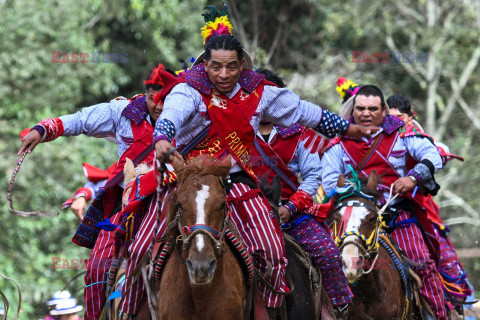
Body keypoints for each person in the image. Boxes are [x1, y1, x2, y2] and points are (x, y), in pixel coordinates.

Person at [153, 7, 376, 316]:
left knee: (273, 252)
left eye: (231, 67)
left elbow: (304, 112)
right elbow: (171, 114)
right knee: (140, 250)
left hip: (237, 184)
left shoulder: (258, 92)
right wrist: (163, 135)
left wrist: (347, 128)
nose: (223, 75)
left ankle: (269, 311)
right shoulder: (188, 90)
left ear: (241, 65)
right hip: (190, 183)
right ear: (205, 65)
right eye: (216, 67)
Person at [18, 64, 178, 320]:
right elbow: (80, 120)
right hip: (127, 207)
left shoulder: (192, 111)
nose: (159, 106)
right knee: (97, 268)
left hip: (177, 200)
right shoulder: (124, 111)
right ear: (145, 93)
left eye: (166, 99)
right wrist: (43, 129)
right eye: (152, 99)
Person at [321, 84, 448, 319]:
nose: (366, 113)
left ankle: (436, 315)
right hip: (352, 213)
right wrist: (355, 192)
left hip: (394, 213)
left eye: (373, 108)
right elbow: (329, 183)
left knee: (422, 262)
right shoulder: (338, 142)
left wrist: (413, 177)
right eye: (360, 108)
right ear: (352, 111)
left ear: (383, 111)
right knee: (323, 262)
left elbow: (432, 155)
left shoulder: (401, 134)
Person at [253, 68, 352, 316]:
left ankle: (336, 309)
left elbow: (311, 177)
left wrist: (291, 207)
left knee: (327, 253)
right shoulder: (238, 133)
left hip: (292, 212)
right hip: (248, 213)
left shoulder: (297, 134)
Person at [387, 94, 473, 311]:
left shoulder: (413, 137)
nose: (395, 121)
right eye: (390, 117)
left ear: (409, 117)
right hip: (380, 206)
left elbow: (437, 151)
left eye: (399, 117)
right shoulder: (378, 137)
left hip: (418, 209)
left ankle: (450, 309)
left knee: (443, 263)